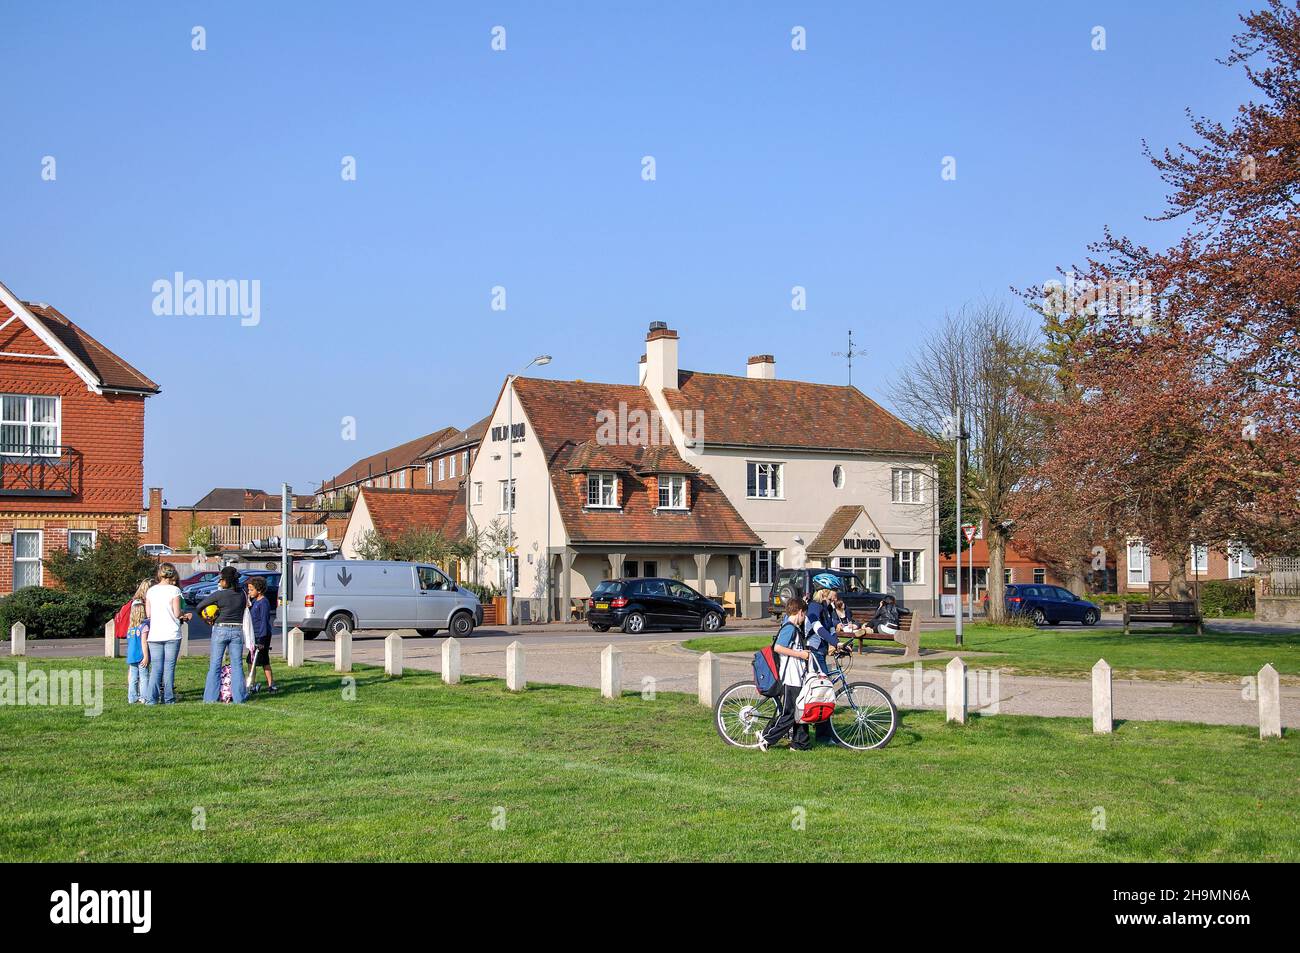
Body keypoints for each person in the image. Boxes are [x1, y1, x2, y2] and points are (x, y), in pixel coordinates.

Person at [758, 596, 812, 752]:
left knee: (800, 711)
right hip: (791, 677)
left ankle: (800, 744)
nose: (805, 618)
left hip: (797, 677)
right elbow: (779, 648)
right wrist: (800, 654)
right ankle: (767, 738)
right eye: (804, 614)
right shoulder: (789, 628)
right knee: (789, 714)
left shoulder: (794, 628)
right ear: (800, 612)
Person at [197, 566, 249, 704]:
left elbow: (199, 607)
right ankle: (239, 698)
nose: (219, 582)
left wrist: (207, 619)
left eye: (221, 579)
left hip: (220, 629)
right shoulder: (243, 594)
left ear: (225, 581)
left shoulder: (219, 595)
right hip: (237, 629)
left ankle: (210, 699)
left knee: (215, 663)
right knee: (237, 664)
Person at [144, 564, 185, 704]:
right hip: (172, 633)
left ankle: (151, 699)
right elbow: (177, 613)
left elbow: (148, 614)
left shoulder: (150, 591)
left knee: (156, 668)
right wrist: (184, 616)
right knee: (169, 667)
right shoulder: (175, 590)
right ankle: (168, 698)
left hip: (155, 634)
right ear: (172, 575)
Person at [245, 575, 277, 694]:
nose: (249, 591)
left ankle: (271, 685)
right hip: (254, 635)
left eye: (251, 589)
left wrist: (262, 641)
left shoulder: (264, 603)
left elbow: (264, 621)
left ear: (259, 590)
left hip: (262, 636)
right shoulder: (254, 601)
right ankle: (252, 684)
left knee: (264, 661)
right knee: (250, 660)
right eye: (249, 589)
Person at [125, 579, 152, 704]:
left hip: (131, 656)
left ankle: (132, 697)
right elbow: (143, 643)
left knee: (133, 678)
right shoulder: (144, 627)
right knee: (144, 677)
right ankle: (144, 697)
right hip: (141, 656)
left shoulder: (130, 629)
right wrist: (146, 656)